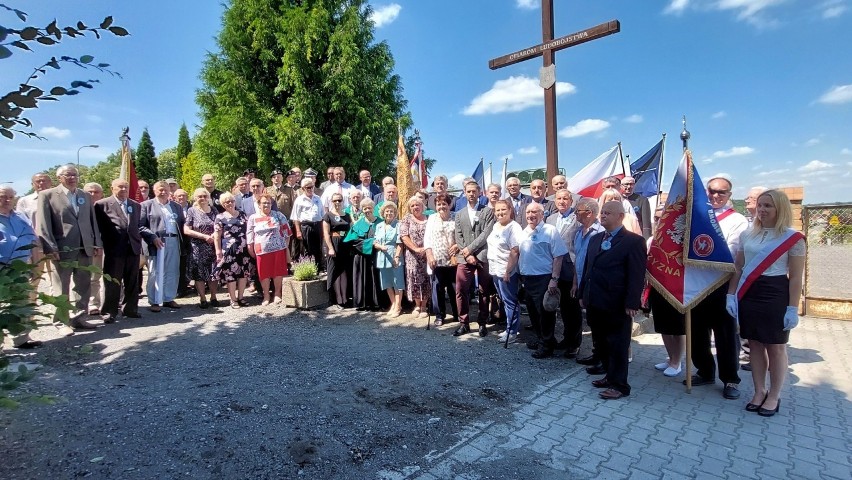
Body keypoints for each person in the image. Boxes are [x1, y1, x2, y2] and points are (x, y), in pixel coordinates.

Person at [727, 189, 805, 417]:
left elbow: (797, 277)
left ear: (780, 208)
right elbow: (739, 267)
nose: (762, 210)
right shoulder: (747, 234)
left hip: (775, 293)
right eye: (760, 205)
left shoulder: (793, 237)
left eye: (768, 206)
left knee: (776, 347)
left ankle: (774, 395)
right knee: (755, 344)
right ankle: (759, 391)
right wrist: (731, 295)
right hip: (750, 293)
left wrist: (792, 308)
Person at [687, 176, 748, 399]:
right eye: (712, 191)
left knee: (725, 334)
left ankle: (731, 379)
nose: (716, 196)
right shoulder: (696, 217)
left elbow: (731, 252)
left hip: (722, 284)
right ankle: (705, 370)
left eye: (721, 192)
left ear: (729, 195)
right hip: (696, 282)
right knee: (697, 332)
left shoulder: (738, 220)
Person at [578, 201, 646, 400]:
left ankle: (619, 385)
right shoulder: (596, 238)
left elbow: (636, 274)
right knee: (602, 342)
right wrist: (583, 293)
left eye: (608, 213)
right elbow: (588, 269)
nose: (603, 216)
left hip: (617, 302)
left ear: (620, 216)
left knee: (618, 344)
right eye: (603, 212)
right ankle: (608, 375)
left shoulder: (633, 241)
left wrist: (633, 302)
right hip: (595, 299)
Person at [36, 164, 102, 329]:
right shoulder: (47, 195)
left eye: (75, 175)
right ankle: (61, 321)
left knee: (83, 285)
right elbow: (44, 225)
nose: (72, 178)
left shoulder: (84, 195)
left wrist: (96, 243)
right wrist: (50, 247)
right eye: (68, 175)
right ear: (59, 177)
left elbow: (91, 221)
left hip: (84, 247)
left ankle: (79, 317)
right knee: (61, 286)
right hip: (62, 249)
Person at [518, 202, 568, 358]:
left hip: (544, 278)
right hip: (528, 279)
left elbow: (558, 256)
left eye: (534, 212)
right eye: (528, 212)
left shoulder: (550, 230)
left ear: (542, 214)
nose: (530, 215)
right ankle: (543, 340)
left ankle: (546, 346)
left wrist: (554, 279)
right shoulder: (523, 231)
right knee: (533, 313)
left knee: (545, 313)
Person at [94, 179, 143, 323]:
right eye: (120, 187)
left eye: (126, 187)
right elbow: (97, 228)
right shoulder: (102, 204)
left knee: (132, 281)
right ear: (112, 188)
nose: (123, 189)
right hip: (114, 249)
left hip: (133, 248)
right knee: (113, 282)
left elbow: (136, 226)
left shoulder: (135, 205)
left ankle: (130, 309)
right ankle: (109, 312)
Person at [452, 179, 495, 337]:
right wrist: (467, 253)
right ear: (464, 192)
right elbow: (458, 235)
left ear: (479, 193)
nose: (471, 194)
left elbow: (486, 234)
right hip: (464, 258)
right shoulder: (459, 214)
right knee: (461, 289)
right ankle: (464, 323)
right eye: (468, 191)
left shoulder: (487, 211)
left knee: (484, 290)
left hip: (482, 256)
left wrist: (471, 250)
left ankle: (482, 322)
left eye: (474, 191)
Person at [0, 185, 41, 348]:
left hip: (20, 266)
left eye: (10, 197)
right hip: (1, 266)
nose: (7, 200)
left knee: (21, 302)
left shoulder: (20, 216)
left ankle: (21, 338)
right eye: (2, 196)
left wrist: (35, 266)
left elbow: (33, 241)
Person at [545, 189, 582, 358]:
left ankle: (574, 343)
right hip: (552, 268)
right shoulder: (550, 219)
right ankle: (564, 339)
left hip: (569, 269)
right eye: (558, 198)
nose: (561, 201)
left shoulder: (577, 218)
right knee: (558, 307)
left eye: (565, 198)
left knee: (571, 308)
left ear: (571, 200)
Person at [139, 181, 185, 312]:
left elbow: (182, 224)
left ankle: (168, 298)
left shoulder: (176, 207)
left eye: (165, 189)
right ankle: (154, 301)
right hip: (156, 242)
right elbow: (140, 226)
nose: (163, 191)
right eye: (160, 189)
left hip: (174, 241)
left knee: (172, 271)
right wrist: (153, 237)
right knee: (155, 272)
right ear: (154, 190)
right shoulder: (146, 206)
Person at [572, 198, 606, 367]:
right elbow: (578, 260)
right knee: (592, 320)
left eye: (578, 211)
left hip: (597, 285)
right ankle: (596, 354)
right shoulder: (578, 232)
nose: (575, 214)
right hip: (582, 283)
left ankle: (603, 358)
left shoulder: (601, 233)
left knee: (600, 322)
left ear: (589, 213)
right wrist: (575, 283)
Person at [487, 199, 523, 344]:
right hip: (495, 269)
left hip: (506, 271)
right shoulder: (496, 226)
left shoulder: (514, 228)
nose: (500, 213)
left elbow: (515, 251)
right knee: (504, 299)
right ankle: (509, 327)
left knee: (510, 301)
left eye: (503, 210)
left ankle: (512, 331)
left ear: (510, 211)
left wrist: (508, 271)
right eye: (498, 210)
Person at [246, 193, 291, 306]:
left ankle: (277, 294)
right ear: (259, 204)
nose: (266, 205)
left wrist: (284, 246)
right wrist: (250, 247)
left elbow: (287, 232)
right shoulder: (253, 218)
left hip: (278, 249)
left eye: (269, 203)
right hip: (262, 250)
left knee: (277, 272)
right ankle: (266, 295)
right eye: (264, 203)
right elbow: (249, 234)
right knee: (264, 273)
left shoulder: (278, 215)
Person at [213, 192, 254, 309]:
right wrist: (218, 251)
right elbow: (217, 236)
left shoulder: (242, 214)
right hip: (229, 250)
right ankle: (233, 299)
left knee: (243, 273)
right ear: (222, 204)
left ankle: (241, 297)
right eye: (227, 202)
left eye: (231, 201)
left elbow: (249, 230)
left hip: (244, 249)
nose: (230, 203)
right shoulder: (220, 217)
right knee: (230, 274)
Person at [424, 193, 459, 326]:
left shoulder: (456, 217)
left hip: (453, 259)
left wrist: (457, 245)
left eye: (444, 204)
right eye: (439, 204)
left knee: (454, 288)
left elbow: (461, 237)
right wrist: (430, 255)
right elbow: (427, 239)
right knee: (437, 288)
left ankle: (457, 313)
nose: (441, 206)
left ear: (449, 205)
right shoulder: (432, 218)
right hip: (436, 260)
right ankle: (440, 315)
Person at [184, 188, 220, 309]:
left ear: (208, 197)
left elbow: (219, 225)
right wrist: (204, 236)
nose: (202, 198)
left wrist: (216, 234)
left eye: (205, 196)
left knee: (213, 273)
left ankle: (213, 297)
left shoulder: (214, 210)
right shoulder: (191, 211)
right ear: (195, 198)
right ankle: (203, 298)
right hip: (198, 247)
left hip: (213, 246)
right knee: (199, 274)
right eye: (199, 196)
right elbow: (186, 229)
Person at [346, 198, 380, 311]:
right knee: (362, 279)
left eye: (369, 208)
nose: (367, 210)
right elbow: (352, 241)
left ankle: (377, 303)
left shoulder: (380, 222)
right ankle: (363, 303)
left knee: (376, 278)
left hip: (377, 256)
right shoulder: (357, 224)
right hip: (361, 257)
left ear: (373, 208)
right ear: (362, 210)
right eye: (364, 208)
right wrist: (371, 243)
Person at [400, 196, 431, 317]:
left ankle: (424, 307)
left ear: (422, 206)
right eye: (412, 206)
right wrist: (416, 249)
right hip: (412, 255)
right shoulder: (406, 219)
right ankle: (417, 305)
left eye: (417, 205)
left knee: (426, 279)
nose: (415, 207)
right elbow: (404, 236)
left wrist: (425, 249)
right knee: (414, 279)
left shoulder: (429, 218)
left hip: (427, 253)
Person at [374, 202, 405, 317]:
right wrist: (380, 246)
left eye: (391, 211)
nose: (389, 213)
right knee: (387, 283)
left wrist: (397, 257)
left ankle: (398, 306)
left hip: (394, 255)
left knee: (397, 283)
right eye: (387, 211)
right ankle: (393, 304)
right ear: (383, 213)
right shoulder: (379, 226)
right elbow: (375, 242)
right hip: (382, 257)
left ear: (395, 213)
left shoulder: (398, 224)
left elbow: (400, 243)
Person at [323, 192, 351, 310]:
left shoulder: (347, 215)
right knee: (336, 272)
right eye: (335, 201)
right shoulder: (328, 215)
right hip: (334, 243)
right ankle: (338, 298)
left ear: (343, 201)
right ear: (332, 202)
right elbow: (326, 233)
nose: (337, 203)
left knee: (343, 272)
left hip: (345, 244)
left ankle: (345, 297)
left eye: (339, 200)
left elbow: (351, 229)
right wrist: (330, 247)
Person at [292, 178, 325, 269]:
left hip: (317, 225)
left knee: (318, 248)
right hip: (306, 226)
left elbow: (322, 215)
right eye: (308, 188)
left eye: (312, 187)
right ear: (303, 189)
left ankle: (318, 268)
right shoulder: (299, 200)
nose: (310, 189)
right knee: (307, 248)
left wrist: (323, 230)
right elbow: (296, 217)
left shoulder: (318, 198)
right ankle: (309, 268)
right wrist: (298, 231)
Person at [83, 182, 105, 315]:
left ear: (102, 194)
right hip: (90, 247)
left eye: (96, 192)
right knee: (93, 277)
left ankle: (109, 301)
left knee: (108, 276)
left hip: (107, 246)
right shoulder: (81, 207)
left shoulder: (105, 206)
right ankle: (93, 303)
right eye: (90, 192)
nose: (93, 194)